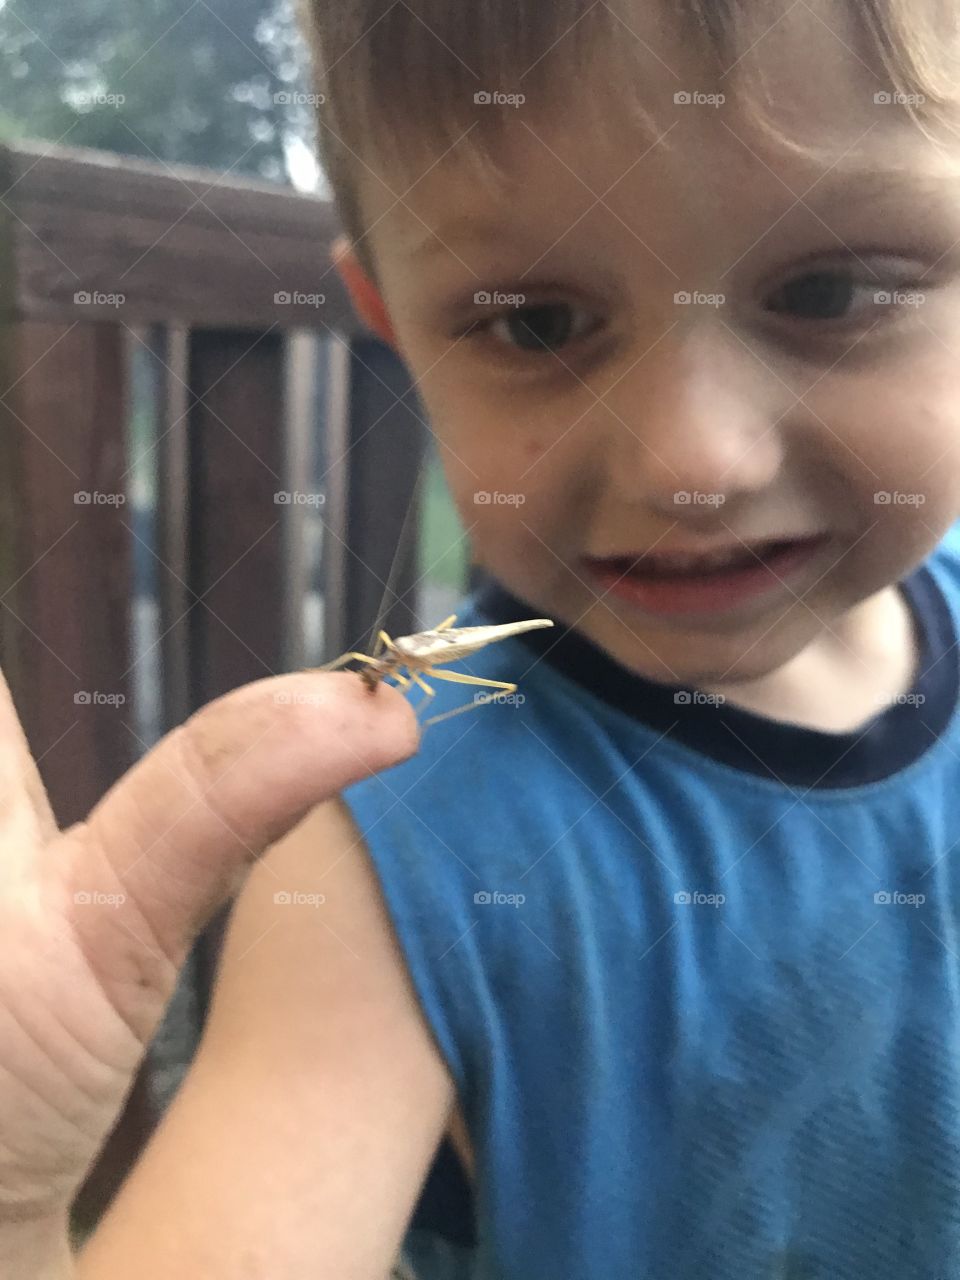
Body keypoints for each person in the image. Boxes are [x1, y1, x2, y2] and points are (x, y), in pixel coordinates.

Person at [6, 0, 960, 1276]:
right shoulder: (382, 859)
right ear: (391, 318)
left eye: (828, 291)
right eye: (537, 322)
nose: (692, 462)